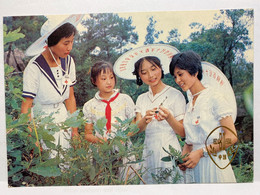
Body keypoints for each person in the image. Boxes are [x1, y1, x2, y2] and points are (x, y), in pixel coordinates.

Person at [169, 50, 237, 183]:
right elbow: (189, 142)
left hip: (214, 164)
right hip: (194, 167)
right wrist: (183, 159)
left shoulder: (215, 98)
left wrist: (201, 152)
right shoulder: (189, 106)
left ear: (194, 72)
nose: (178, 80)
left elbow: (231, 137)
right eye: (175, 76)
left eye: (180, 74)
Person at [21, 15, 83, 158]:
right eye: (66, 43)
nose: (70, 47)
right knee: (50, 160)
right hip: (43, 119)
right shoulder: (34, 67)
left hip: (63, 116)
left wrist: (74, 130)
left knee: (67, 160)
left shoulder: (68, 62)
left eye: (72, 42)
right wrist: (33, 138)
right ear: (51, 42)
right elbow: (26, 107)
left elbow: (70, 97)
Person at [133, 56, 186, 184]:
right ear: (139, 76)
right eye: (144, 72)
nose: (150, 75)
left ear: (161, 68)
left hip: (169, 149)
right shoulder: (141, 98)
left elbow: (183, 132)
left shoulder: (175, 95)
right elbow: (136, 130)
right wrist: (145, 119)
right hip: (149, 151)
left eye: (153, 69)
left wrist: (169, 118)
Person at [82, 61, 137, 178]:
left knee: (126, 181)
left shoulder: (125, 100)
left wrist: (123, 137)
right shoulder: (89, 105)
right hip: (100, 152)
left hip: (124, 149)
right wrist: (99, 140)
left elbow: (134, 125)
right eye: (103, 78)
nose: (109, 82)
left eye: (111, 77)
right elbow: (87, 134)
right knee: (104, 181)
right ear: (94, 80)